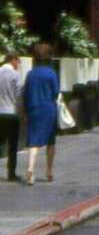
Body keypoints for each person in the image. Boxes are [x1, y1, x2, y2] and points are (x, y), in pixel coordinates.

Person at [22, 42, 58, 185]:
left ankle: (30, 168)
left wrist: (25, 111)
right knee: (51, 141)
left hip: (33, 109)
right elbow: (56, 92)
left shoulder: (30, 74)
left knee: (34, 141)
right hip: (48, 109)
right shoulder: (51, 73)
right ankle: (49, 171)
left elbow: (25, 94)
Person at [0, 52, 22, 182]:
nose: (18, 65)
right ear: (12, 60)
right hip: (11, 112)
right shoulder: (15, 75)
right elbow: (19, 93)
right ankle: (11, 173)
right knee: (12, 145)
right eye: (18, 62)